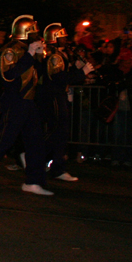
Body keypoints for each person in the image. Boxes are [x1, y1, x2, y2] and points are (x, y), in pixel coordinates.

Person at [0, 15, 52, 195]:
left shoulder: (27, 49)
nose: (36, 35)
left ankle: (33, 181)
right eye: (33, 31)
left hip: (28, 101)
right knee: (5, 140)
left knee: (36, 143)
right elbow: (8, 77)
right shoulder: (10, 50)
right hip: (15, 101)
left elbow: (38, 76)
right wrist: (30, 55)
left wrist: (40, 55)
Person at [39, 23, 94, 181]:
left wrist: (76, 69)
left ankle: (50, 163)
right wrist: (82, 73)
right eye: (62, 37)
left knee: (58, 133)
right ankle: (52, 165)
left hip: (57, 96)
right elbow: (59, 78)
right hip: (55, 96)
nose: (65, 40)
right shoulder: (54, 56)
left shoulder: (58, 54)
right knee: (58, 132)